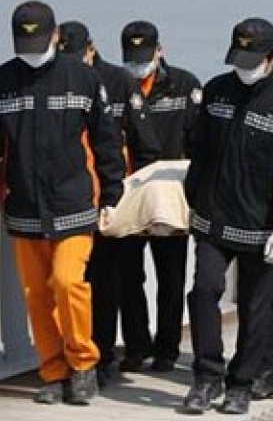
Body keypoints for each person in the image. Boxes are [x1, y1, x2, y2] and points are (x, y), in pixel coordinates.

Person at [0, 0, 125, 404]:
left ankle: (83, 364)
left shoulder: (83, 79)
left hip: (73, 204)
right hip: (24, 208)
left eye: (39, 43)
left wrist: (112, 195)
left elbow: (107, 140)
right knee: (37, 295)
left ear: (55, 35)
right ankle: (53, 372)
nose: (32, 52)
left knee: (68, 282)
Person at [182, 17, 273, 415]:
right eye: (239, 59)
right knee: (204, 292)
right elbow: (198, 151)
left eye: (252, 60)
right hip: (213, 219)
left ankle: (241, 384)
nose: (244, 68)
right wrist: (194, 198)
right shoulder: (216, 91)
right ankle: (206, 377)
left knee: (257, 310)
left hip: (262, 228)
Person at [58, 20, 162, 386]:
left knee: (115, 280)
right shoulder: (58, 81)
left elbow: (146, 146)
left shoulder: (119, 81)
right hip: (72, 200)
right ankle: (88, 357)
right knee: (82, 283)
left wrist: (132, 198)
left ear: (91, 49)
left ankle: (114, 354)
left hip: (114, 199)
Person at [117, 20, 201, 373]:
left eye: (144, 58)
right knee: (128, 275)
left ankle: (167, 348)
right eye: (132, 58)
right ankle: (136, 346)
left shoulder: (185, 86)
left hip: (170, 195)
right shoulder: (115, 85)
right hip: (129, 195)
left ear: (159, 51)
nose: (138, 66)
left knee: (171, 275)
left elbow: (199, 141)